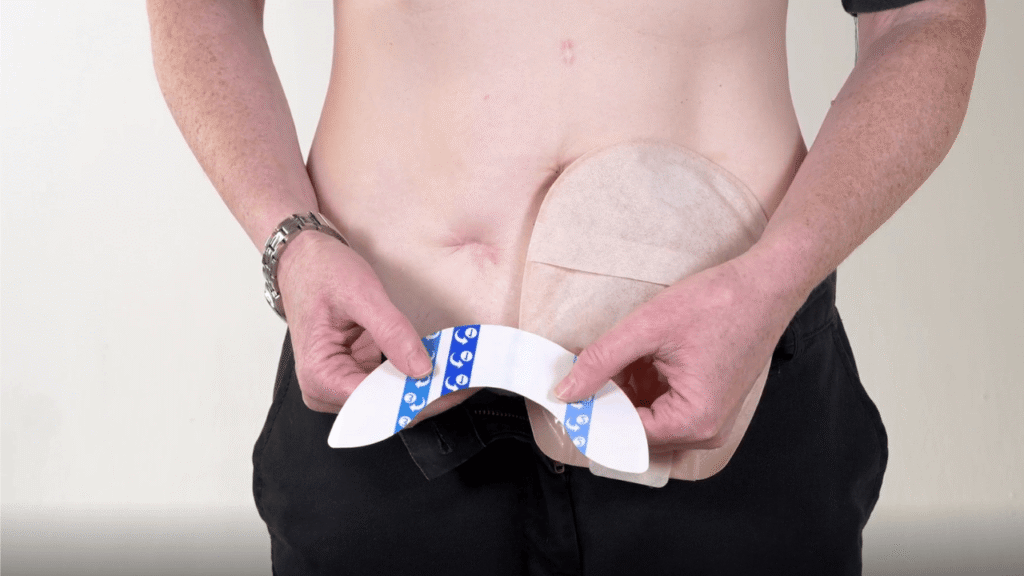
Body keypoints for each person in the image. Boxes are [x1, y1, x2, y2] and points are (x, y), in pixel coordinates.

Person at [148, 0, 985, 574]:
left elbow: (927, 16)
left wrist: (773, 281)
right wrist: (288, 243)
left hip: (726, 386)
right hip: (386, 390)